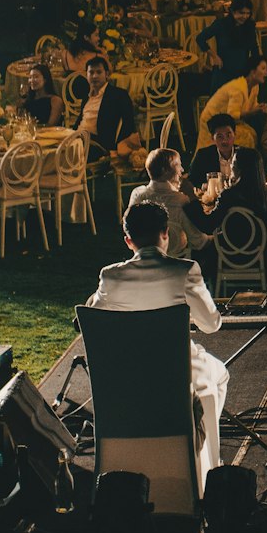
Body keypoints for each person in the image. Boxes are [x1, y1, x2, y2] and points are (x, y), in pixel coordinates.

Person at [86, 200, 228, 484]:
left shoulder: (110, 276)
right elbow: (211, 325)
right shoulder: (184, 270)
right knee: (219, 375)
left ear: (128, 241)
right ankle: (201, 454)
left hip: (126, 377)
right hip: (175, 374)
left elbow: (91, 314)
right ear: (166, 233)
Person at [197, 147, 267, 285]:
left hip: (229, 258)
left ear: (236, 168)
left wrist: (191, 202)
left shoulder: (229, 196)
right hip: (265, 258)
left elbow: (208, 226)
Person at [128, 148, 213, 258]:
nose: (182, 170)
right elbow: (199, 242)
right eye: (178, 165)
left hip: (143, 258)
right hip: (176, 262)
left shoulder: (137, 194)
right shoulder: (180, 200)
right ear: (165, 171)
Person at [75, 55, 143, 163]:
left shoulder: (118, 95)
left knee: (64, 154)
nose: (94, 76)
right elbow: (80, 121)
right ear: (86, 75)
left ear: (106, 74)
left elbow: (128, 123)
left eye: (99, 72)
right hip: (80, 139)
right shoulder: (87, 97)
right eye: (91, 72)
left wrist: (115, 149)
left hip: (100, 145)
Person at [194, 54, 267, 152]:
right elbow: (232, 114)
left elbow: (252, 106)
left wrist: (264, 109)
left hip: (227, 121)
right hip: (213, 121)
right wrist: (253, 112)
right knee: (246, 137)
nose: (266, 73)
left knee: (251, 133)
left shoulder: (255, 87)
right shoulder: (238, 88)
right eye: (263, 69)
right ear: (253, 71)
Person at [196, 0, 260, 93]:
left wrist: (255, 69)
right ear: (233, 11)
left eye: (248, 13)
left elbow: (254, 48)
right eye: (241, 13)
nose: (245, 17)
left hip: (242, 70)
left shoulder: (249, 26)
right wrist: (214, 56)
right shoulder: (222, 24)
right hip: (223, 71)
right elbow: (200, 38)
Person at [187, 112, 237, 190]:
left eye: (228, 135)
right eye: (219, 136)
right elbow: (191, 180)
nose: (225, 141)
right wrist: (206, 187)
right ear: (212, 138)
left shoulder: (245, 155)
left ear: (235, 135)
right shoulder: (203, 155)